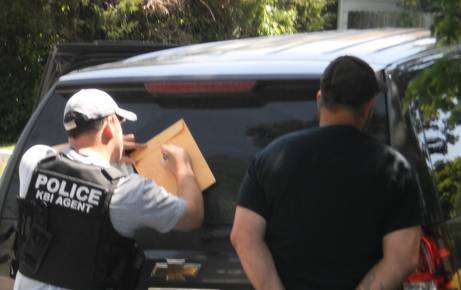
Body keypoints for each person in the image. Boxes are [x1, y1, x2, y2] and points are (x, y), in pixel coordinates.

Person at [231, 56, 422, 290]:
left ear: (320, 99)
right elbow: (402, 259)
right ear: (368, 107)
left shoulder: (270, 157)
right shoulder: (395, 170)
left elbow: (243, 236)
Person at [12, 89, 203, 290]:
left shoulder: (33, 163)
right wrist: (183, 166)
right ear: (110, 124)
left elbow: (58, 152)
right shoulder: (126, 192)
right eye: (120, 124)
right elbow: (192, 215)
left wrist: (105, 153)